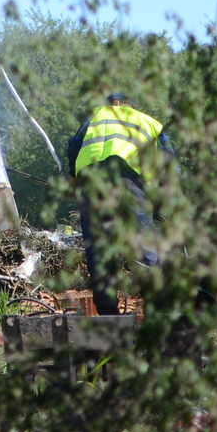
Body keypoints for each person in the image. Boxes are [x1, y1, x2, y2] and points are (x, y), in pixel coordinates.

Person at [66, 93, 171, 316]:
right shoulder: (149, 122)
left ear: (114, 103)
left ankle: (108, 316)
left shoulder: (95, 116)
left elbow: (74, 146)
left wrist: (73, 179)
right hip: (131, 184)